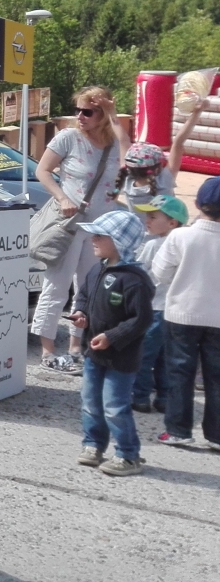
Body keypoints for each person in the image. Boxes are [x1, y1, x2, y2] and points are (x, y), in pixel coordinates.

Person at [31, 87, 129, 373]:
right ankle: (48, 351)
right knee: (57, 286)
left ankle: (76, 346)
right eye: (78, 110)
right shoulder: (68, 137)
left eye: (88, 111)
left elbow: (128, 154)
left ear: (103, 114)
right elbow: (42, 171)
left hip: (100, 227)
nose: (80, 116)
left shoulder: (113, 144)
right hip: (70, 223)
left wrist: (112, 113)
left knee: (88, 289)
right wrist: (62, 198)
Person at [68, 209, 152, 475]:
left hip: (121, 357)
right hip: (94, 354)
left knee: (115, 406)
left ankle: (128, 454)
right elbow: (84, 296)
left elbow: (141, 319)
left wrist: (111, 337)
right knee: (90, 401)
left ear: (119, 241)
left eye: (100, 235)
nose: (93, 239)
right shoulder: (97, 270)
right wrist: (81, 314)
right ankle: (93, 444)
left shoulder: (135, 281)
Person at [153, 176, 220, 450]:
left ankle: (178, 430)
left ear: (197, 204)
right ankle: (217, 435)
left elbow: (160, 272)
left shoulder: (181, 236)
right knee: (217, 377)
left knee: (180, 372)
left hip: (182, 313)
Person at [130, 194, 188, 413]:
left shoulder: (153, 245)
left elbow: (138, 272)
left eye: (153, 217)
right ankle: (164, 398)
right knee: (166, 357)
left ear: (172, 223)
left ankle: (141, 396)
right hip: (174, 311)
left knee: (143, 354)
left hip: (153, 308)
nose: (148, 220)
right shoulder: (185, 244)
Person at [113, 142, 174, 208]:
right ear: (156, 170)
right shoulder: (164, 182)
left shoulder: (126, 182)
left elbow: (123, 142)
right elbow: (177, 145)